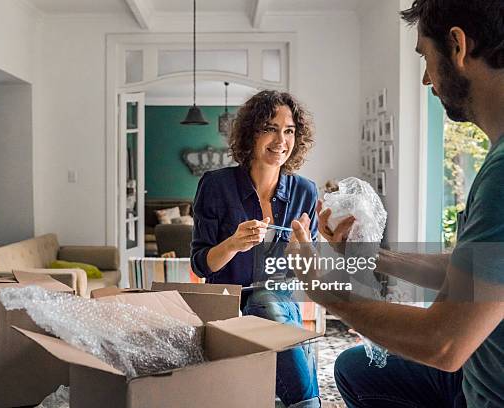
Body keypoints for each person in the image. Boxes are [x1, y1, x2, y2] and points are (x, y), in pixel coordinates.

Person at [289, 1, 504, 406]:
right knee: (356, 367)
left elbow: (444, 343)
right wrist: (371, 257)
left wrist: (321, 288)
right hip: (472, 374)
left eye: (425, 56)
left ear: (457, 46)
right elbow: (470, 272)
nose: (425, 78)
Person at [191, 90, 321, 408]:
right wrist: (233, 244)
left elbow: (312, 275)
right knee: (271, 309)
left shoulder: (305, 191)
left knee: (271, 302)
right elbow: (200, 265)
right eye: (270, 128)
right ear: (252, 132)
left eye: (289, 130)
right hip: (228, 305)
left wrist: (303, 252)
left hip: (282, 304)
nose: (281, 140)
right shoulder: (215, 185)